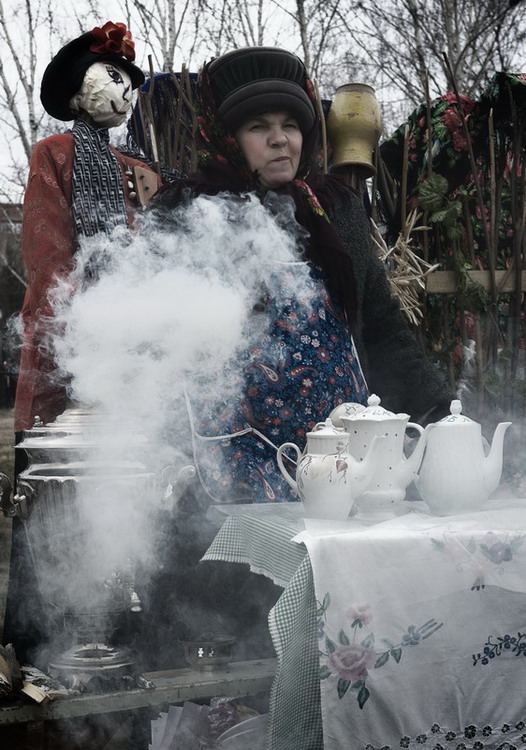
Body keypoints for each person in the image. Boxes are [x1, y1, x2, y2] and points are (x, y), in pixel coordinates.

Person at [142, 46, 454, 669]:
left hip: (347, 458)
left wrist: (441, 417)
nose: (280, 141)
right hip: (239, 467)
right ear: (228, 138)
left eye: (291, 125)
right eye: (259, 128)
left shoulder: (333, 206)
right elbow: (156, 349)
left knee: (344, 631)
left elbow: (384, 330)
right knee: (248, 648)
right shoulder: (184, 213)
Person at [4, 21, 160, 667]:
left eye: (131, 84)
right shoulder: (54, 154)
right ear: (76, 92)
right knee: (57, 477)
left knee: (127, 480)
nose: (124, 93)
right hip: (70, 340)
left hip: (133, 347)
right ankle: (47, 639)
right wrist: (85, 327)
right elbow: (47, 249)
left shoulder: (139, 167)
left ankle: (124, 623)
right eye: (112, 78)